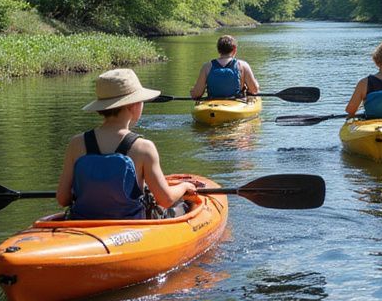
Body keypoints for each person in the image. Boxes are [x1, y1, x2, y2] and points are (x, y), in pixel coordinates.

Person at [57, 68, 197, 219]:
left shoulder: (76, 143)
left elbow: (62, 198)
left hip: (83, 224)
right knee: (183, 206)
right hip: (131, 228)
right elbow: (166, 199)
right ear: (133, 105)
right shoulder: (144, 148)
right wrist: (184, 187)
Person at [189, 35, 260, 100]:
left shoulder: (207, 67)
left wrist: (193, 91)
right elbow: (254, 90)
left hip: (213, 106)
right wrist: (255, 84)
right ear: (234, 49)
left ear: (218, 50)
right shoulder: (243, 65)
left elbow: (197, 94)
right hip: (236, 105)